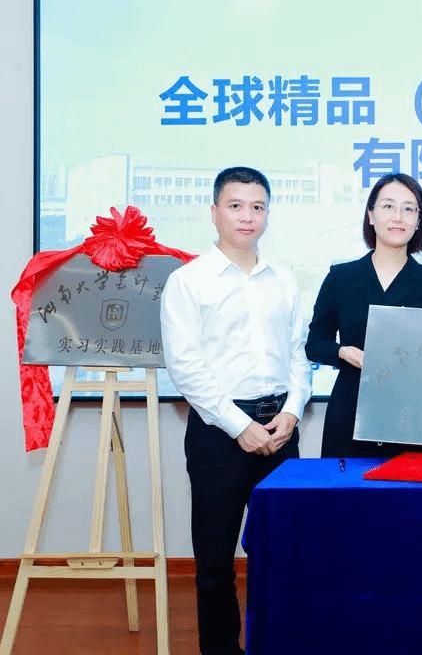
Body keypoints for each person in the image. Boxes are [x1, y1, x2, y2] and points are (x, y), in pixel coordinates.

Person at [160, 166, 311, 655]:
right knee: (214, 562)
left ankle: (278, 644)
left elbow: (298, 354)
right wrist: (239, 425)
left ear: (268, 214)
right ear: (214, 212)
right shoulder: (187, 281)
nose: (248, 216)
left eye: (258, 206)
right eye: (236, 205)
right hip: (217, 433)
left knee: (284, 555)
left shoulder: (284, 279)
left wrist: (292, 411)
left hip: (281, 430)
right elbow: (185, 367)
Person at [307, 173, 422, 458]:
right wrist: (342, 352)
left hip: (414, 419)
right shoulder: (341, 277)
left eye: (409, 209)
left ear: (419, 221)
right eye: (388, 206)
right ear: (371, 215)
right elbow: (315, 344)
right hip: (350, 411)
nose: (398, 217)